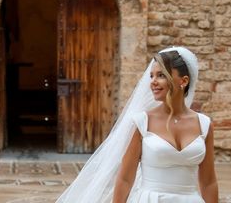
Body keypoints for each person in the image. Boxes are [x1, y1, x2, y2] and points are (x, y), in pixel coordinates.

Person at [56, 47, 218, 203]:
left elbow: (208, 182)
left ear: (183, 81)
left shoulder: (204, 125)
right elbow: (125, 178)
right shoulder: (142, 122)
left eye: (161, 75)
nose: (153, 82)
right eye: (151, 76)